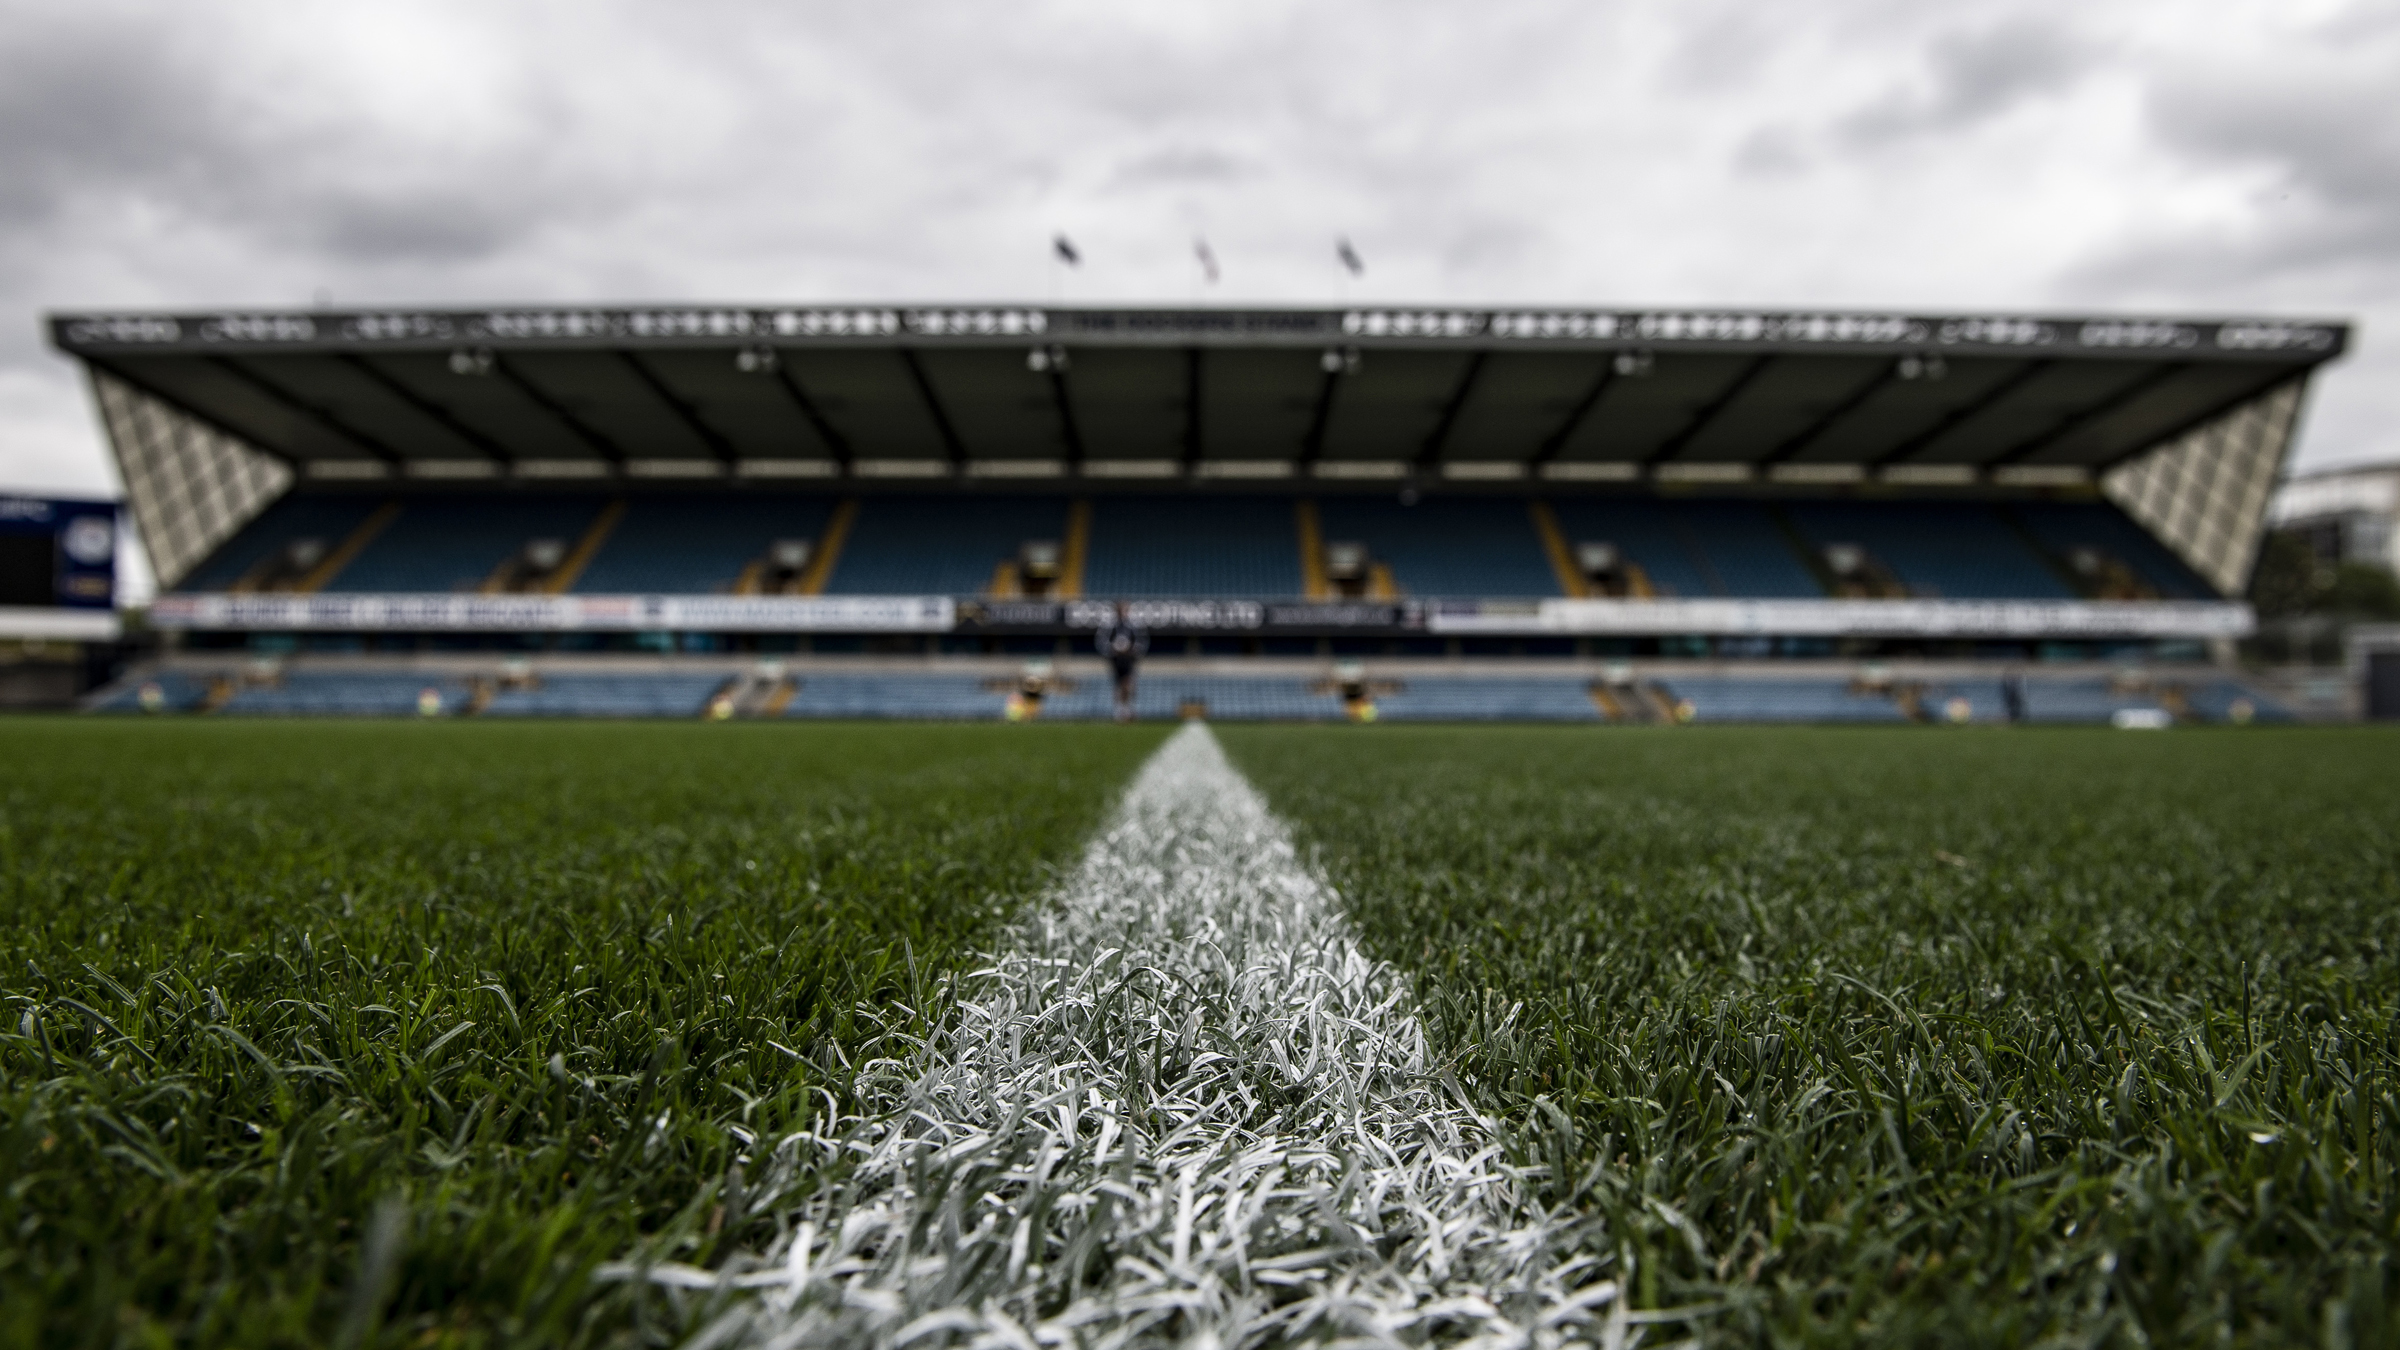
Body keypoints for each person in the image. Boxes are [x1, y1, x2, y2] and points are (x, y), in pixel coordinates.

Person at [1095, 602, 1149, 722]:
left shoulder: (1133, 626)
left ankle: (1127, 710)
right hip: (1116, 659)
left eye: (1124, 610)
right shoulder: (1109, 626)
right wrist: (1113, 649)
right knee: (1118, 685)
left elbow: (1142, 642)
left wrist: (1131, 650)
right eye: (1119, 610)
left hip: (1128, 659)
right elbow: (1101, 642)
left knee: (1128, 684)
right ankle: (1120, 712)